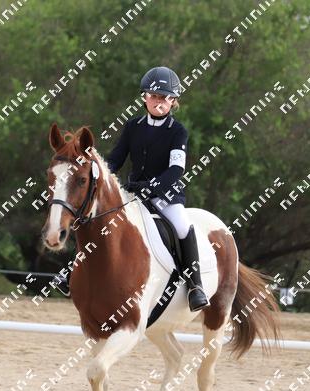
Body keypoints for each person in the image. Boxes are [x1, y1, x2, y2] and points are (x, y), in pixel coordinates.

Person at [53, 66, 210, 312]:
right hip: (133, 193)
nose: (158, 101)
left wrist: (152, 187)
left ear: (173, 101)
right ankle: (72, 271)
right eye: (154, 96)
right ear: (145, 97)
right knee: (97, 218)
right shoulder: (133, 126)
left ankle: (195, 285)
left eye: (164, 97)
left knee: (182, 225)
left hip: (165, 195)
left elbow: (176, 169)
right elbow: (116, 159)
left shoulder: (178, 131)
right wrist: (99, 174)